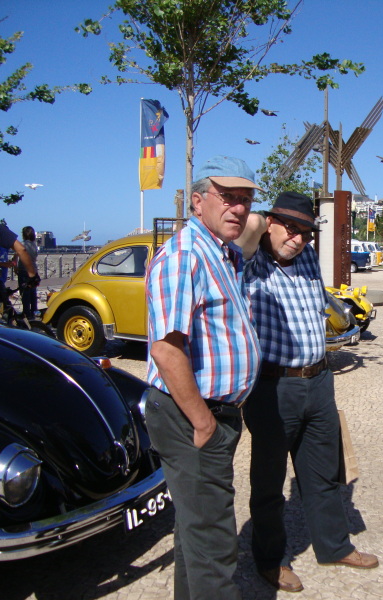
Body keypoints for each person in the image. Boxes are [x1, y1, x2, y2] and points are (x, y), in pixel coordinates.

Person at [236, 192, 378, 594]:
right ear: (269, 223)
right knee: (269, 479)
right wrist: (263, 224)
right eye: (290, 228)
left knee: (324, 473)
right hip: (273, 387)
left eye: (306, 232)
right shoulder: (248, 263)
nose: (298, 238)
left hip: (319, 380)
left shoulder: (308, 259)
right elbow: (245, 233)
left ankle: (334, 546)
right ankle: (269, 560)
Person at [144, 156, 262, 600]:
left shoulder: (225, 253)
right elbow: (166, 350)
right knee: (214, 542)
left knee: (196, 529)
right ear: (197, 202)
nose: (238, 208)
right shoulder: (184, 256)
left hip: (216, 413)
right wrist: (203, 422)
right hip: (190, 415)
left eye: (245, 200)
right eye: (227, 198)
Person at [18, 226, 39, 318]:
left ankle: (26, 314)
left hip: (24, 270)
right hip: (34, 270)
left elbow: (18, 253)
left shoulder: (22, 244)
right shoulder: (34, 245)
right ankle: (34, 312)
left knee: (25, 294)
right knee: (33, 294)